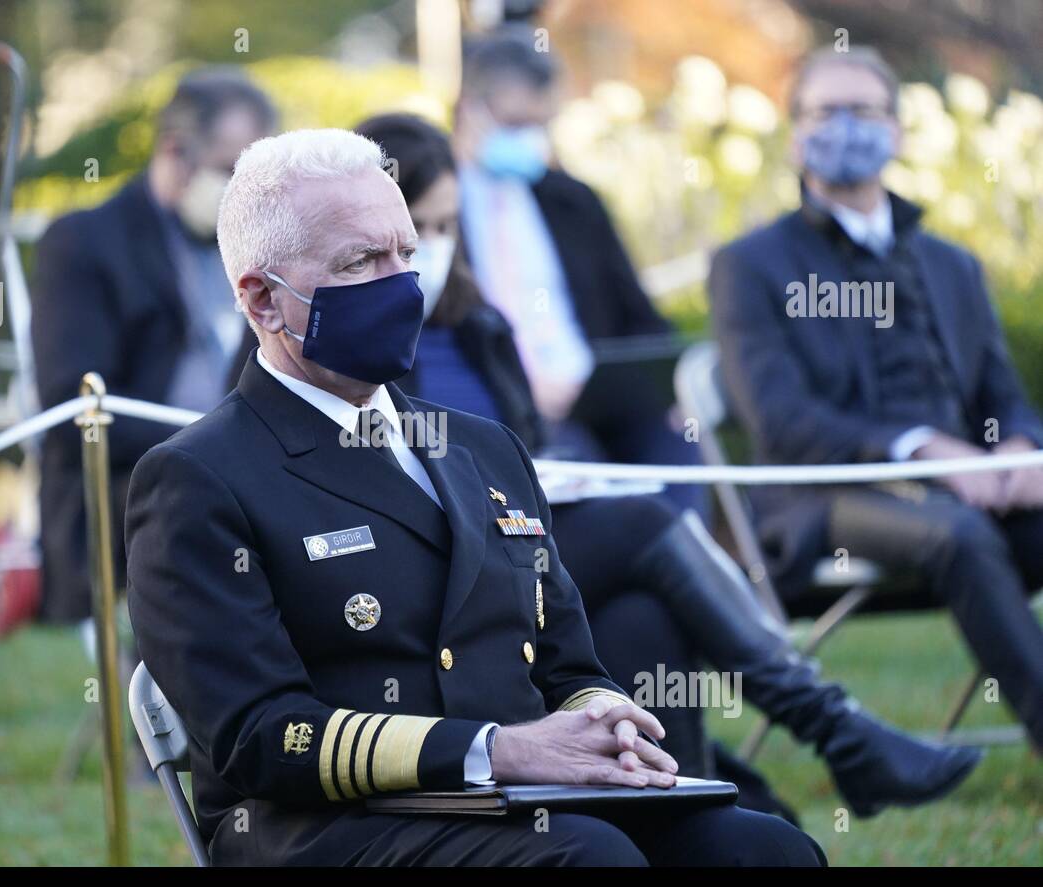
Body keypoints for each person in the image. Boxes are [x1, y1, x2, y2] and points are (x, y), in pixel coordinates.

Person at [125, 127, 826, 866]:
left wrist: (606, 718)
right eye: (361, 261)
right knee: (589, 860)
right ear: (263, 300)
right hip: (332, 830)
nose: (402, 284)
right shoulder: (198, 477)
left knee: (764, 850)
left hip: (528, 802)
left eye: (408, 253)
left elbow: (566, 666)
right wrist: (497, 749)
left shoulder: (482, 448)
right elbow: (259, 736)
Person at [354, 111, 979, 820]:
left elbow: (514, 450)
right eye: (413, 232)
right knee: (644, 525)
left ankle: (693, 811)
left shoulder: (479, 326)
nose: (429, 251)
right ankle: (832, 728)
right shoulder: (340, 343)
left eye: (442, 229)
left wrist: (552, 473)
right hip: (442, 572)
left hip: (527, 553)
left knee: (642, 619)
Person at [709, 46, 1043, 751]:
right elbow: (779, 419)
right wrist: (925, 450)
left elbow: (1002, 394)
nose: (845, 127)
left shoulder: (952, 264)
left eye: (864, 111)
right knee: (960, 533)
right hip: (823, 496)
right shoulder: (749, 265)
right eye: (825, 111)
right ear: (795, 133)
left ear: (897, 130)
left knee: (994, 523)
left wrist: (1015, 448)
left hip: (966, 491)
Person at [32, 67, 276, 623]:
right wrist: (209, 443)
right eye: (228, 170)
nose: (244, 193)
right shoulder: (86, 242)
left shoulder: (252, 243)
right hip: (131, 495)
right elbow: (72, 413)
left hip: (240, 474)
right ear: (175, 150)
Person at [451, 27, 707, 517]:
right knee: (581, 472)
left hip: (595, 393)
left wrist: (668, 388)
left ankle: (680, 565)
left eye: (541, 125)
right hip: (505, 407)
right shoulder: (436, 208)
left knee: (675, 448)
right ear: (470, 108)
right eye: (515, 122)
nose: (529, 139)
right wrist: (524, 387)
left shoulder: (572, 201)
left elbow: (639, 314)